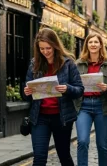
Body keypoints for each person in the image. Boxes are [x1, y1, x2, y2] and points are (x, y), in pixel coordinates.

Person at [24, 28, 84, 166]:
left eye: (48, 48)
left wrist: (67, 88)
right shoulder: (34, 63)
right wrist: (27, 92)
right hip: (39, 117)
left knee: (63, 155)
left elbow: (80, 89)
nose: (45, 52)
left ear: (55, 45)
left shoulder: (68, 63)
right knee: (39, 157)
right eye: (42, 49)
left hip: (62, 118)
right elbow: (27, 92)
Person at [74, 33, 107, 166]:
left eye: (96, 42)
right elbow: (73, 84)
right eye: (90, 42)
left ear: (100, 45)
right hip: (83, 106)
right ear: (86, 45)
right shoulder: (78, 64)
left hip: (102, 106)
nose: (93, 44)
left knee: (102, 144)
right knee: (82, 141)